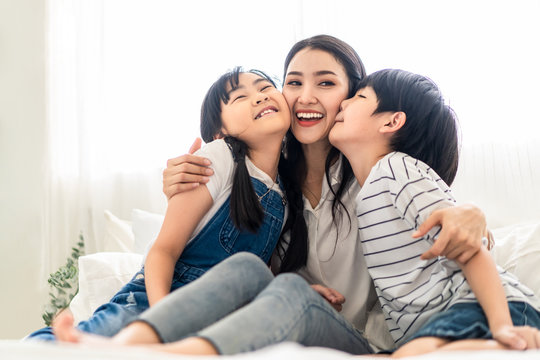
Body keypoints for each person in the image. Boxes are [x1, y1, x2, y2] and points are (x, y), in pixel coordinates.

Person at [53, 35, 487, 355]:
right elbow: (239, 263)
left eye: (326, 83)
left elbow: (443, 230)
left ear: (353, 98)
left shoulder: (373, 176)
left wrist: (473, 216)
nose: (304, 97)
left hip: (364, 340)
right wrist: (183, 183)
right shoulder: (267, 185)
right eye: (293, 82)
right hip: (286, 323)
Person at [28, 67, 290, 341]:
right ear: (220, 132)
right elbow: (163, 251)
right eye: (239, 97)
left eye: (265, 88)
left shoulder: (284, 196)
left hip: (210, 320)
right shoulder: (218, 159)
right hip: (153, 301)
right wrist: (161, 320)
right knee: (86, 342)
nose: (259, 97)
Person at [328, 68, 540, 356]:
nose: (343, 102)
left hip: (478, 307)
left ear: (392, 121)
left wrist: (502, 326)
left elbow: (469, 247)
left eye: (359, 96)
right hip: (440, 322)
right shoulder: (371, 191)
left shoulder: (395, 169)